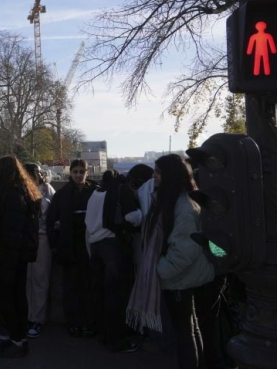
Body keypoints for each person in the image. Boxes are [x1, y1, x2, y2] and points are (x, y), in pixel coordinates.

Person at [136, 154, 221, 369]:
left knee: (185, 331)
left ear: (170, 176)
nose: (154, 176)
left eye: (158, 172)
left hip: (180, 278)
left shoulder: (182, 205)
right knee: (191, 329)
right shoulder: (180, 201)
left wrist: (161, 270)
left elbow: (185, 249)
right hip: (186, 275)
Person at [0, 156, 40, 359]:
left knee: (7, 297)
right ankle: (19, 338)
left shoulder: (11, 195)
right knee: (18, 296)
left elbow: (12, 230)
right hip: (20, 254)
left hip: (11, 254)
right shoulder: (23, 191)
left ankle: (16, 338)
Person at [85, 170, 139, 353]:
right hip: (114, 246)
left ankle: (104, 334)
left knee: (100, 293)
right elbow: (134, 217)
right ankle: (118, 340)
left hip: (95, 247)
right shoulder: (121, 190)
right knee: (117, 295)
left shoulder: (95, 193)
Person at [46, 159, 97, 338]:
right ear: (70, 173)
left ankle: (88, 321)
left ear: (87, 172)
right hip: (69, 245)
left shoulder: (94, 192)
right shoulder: (62, 194)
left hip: (88, 245)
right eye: (75, 172)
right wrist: (54, 244)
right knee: (71, 287)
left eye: (81, 171)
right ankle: (74, 322)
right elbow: (51, 220)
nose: (78, 175)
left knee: (88, 286)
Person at [23, 163, 55, 339]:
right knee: (28, 279)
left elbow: (45, 212)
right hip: (29, 237)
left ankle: (37, 318)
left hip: (42, 237)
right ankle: (29, 315)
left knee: (40, 279)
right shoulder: (28, 189)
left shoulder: (46, 189)